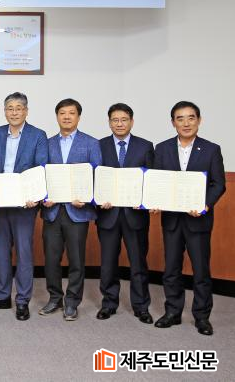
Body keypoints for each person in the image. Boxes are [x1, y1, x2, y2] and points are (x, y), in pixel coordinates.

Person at [151, 101, 226, 336]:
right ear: (173, 122)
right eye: (180, 118)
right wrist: (154, 200)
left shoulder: (211, 149)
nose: (186, 123)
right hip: (172, 220)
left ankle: (202, 317)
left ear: (199, 121)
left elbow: (218, 184)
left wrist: (205, 204)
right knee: (171, 269)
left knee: (200, 270)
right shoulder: (162, 148)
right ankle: (172, 312)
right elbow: (157, 181)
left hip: (198, 220)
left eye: (191, 118)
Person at [0, 92, 48, 321]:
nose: (14, 112)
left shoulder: (38, 135)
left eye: (19, 108)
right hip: (0, 201)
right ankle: (2, 296)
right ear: (4, 111)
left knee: (24, 251)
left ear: (26, 111)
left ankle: (22, 300)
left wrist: (34, 194)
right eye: (10, 108)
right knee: (1, 250)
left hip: (25, 203)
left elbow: (40, 167)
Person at [40, 98, 102, 321]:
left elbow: (97, 176)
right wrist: (43, 198)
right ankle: (54, 298)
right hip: (52, 211)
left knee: (76, 260)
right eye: (62, 113)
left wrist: (86, 198)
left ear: (78, 117)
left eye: (71, 113)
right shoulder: (46, 143)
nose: (66, 117)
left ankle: (72, 302)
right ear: (57, 116)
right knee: (51, 259)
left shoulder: (91, 143)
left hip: (78, 212)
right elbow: (40, 175)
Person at [95, 103, 154, 324]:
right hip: (107, 215)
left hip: (135, 215)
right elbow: (94, 178)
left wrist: (146, 200)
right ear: (109, 122)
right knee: (108, 263)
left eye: (124, 119)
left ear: (132, 121)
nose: (119, 124)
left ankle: (141, 306)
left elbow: (151, 180)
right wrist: (98, 199)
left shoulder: (145, 146)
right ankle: (109, 304)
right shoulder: (99, 145)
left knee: (138, 263)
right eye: (115, 120)